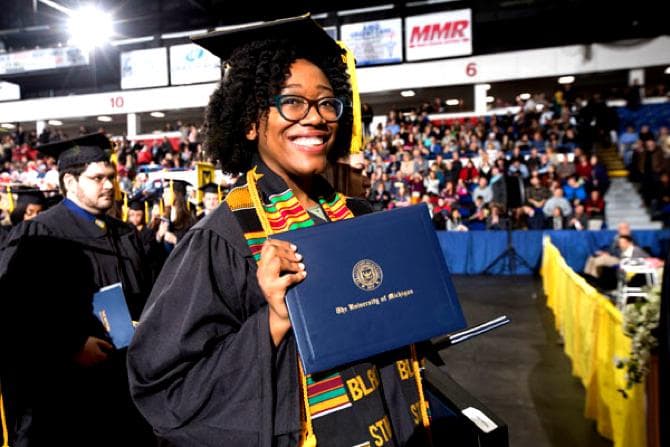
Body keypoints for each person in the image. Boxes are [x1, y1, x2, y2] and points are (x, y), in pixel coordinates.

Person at [128, 15, 431, 447]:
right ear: (251, 122)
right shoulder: (222, 238)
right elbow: (168, 389)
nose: (315, 118)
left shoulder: (359, 217)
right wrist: (274, 320)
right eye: (292, 102)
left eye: (327, 103)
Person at [0, 133, 155, 446]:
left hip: (124, 390)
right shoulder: (37, 235)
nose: (110, 185)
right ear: (69, 183)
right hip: (65, 397)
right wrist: (67, 347)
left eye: (111, 177)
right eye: (97, 178)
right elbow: (12, 316)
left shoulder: (124, 234)